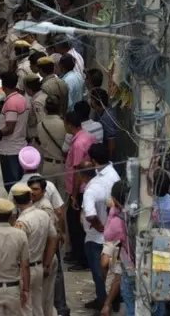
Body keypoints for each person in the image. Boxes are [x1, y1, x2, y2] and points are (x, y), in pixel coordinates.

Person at [81, 143, 120, 310]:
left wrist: (100, 227)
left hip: (97, 237)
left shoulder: (94, 186)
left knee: (100, 274)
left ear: (94, 160)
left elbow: (90, 215)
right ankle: (109, 300)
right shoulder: (114, 174)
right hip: (114, 233)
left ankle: (105, 304)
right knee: (112, 273)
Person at [11, 183, 58, 316]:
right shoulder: (43, 215)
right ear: (30, 196)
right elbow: (53, 239)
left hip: (25, 270)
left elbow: (16, 251)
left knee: (25, 307)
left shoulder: (21, 222)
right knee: (38, 306)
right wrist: (47, 264)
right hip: (39, 266)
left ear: (15, 201)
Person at [26, 176, 69, 316]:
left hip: (44, 257)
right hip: (39, 256)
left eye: (36, 189)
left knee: (45, 299)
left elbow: (51, 237)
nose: (33, 192)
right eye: (31, 189)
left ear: (44, 191)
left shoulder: (45, 208)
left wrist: (46, 263)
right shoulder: (34, 205)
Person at [63, 111, 96, 270]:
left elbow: (77, 172)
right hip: (85, 186)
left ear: (69, 124)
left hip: (80, 189)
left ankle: (81, 259)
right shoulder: (88, 137)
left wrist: (74, 195)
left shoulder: (77, 144)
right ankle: (79, 256)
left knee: (76, 225)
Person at [101, 180, 135, 316]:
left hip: (131, 266)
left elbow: (107, 234)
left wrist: (113, 210)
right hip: (146, 263)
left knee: (131, 302)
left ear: (114, 199)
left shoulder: (118, 221)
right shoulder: (144, 211)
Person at [0, 72, 28, 191]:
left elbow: (10, 128)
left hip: (9, 149)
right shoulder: (22, 98)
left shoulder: (11, 103)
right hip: (20, 146)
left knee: (12, 187)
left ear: (3, 85)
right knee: (20, 184)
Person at [37, 96, 67, 202]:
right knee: (62, 201)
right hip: (62, 166)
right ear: (59, 108)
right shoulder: (64, 125)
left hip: (47, 165)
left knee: (48, 200)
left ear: (45, 108)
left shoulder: (40, 125)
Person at [90, 88, 117, 160]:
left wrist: (110, 160)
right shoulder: (100, 111)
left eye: (91, 100)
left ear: (94, 102)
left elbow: (111, 142)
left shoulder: (107, 118)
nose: (90, 102)